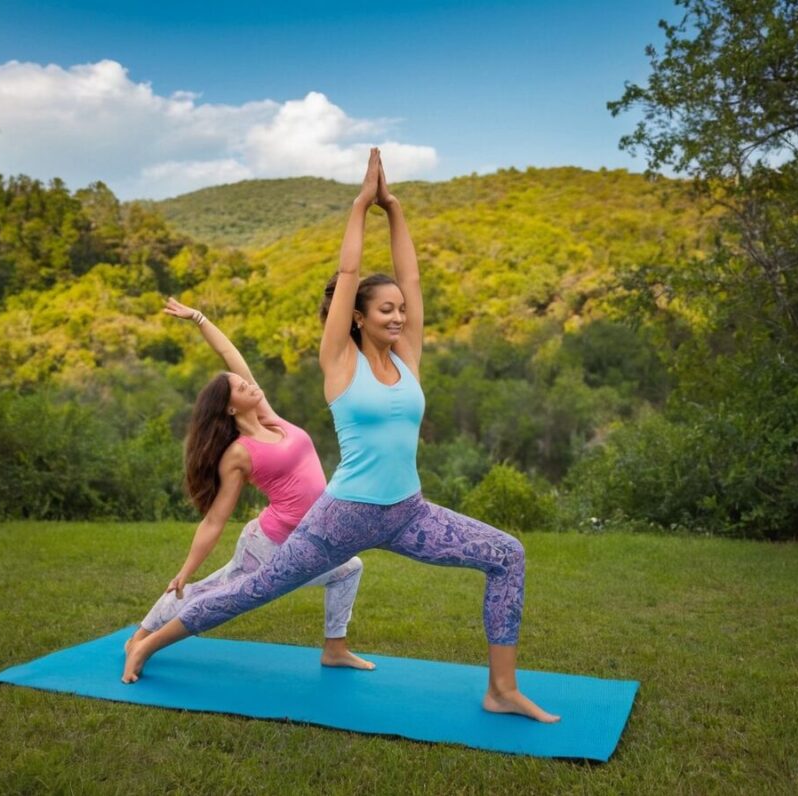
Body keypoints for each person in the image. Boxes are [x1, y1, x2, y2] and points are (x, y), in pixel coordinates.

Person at [123, 150, 560, 723]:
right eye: (385, 310)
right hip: (343, 516)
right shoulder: (340, 364)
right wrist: (360, 206)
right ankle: (148, 642)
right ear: (357, 316)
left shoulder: (408, 360)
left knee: (507, 554)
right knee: (254, 589)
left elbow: (412, 276)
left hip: (408, 512)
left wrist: (394, 208)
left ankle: (501, 689)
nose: (399, 316)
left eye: (401, 310)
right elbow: (351, 273)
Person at [124, 298, 374, 670]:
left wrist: (200, 318)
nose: (250, 384)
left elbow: (231, 354)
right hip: (270, 545)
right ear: (229, 408)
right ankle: (141, 639)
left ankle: (334, 649)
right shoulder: (238, 454)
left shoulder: (272, 420)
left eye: (246, 382)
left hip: (303, 538)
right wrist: (186, 568)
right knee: (211, 593)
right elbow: (215, 520)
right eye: (242, 388)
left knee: (349, 569)